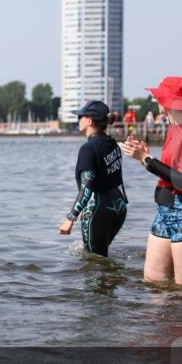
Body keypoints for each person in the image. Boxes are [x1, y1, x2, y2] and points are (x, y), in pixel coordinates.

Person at [120, 77, 182, 286]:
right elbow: (170, 173)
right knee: (153, 280)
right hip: (166, 209)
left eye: (160, 97)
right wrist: (145, 158)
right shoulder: (174, 129)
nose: (157, 101)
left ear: (169, 102)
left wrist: (146, 159)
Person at [58, 101, 127, 257]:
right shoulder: (112, 143)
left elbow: (87, 188)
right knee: (101, 257)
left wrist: (70, 218)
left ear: (89, 121)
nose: (78, 120)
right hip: (119, 206)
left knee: (94, 261)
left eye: (80, 117)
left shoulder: (88, 149)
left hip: (98, 208)